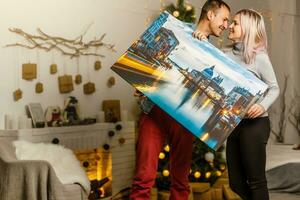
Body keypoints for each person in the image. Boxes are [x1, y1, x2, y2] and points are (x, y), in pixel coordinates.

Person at [130, 1, 230, 199]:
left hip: (183, 119)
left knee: (180, 180)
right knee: (143, 176)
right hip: (154, 111)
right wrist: (142, 83)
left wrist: (201, 46)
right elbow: (155, 58)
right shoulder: (175, 29)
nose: (226, 25)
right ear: (210, 15)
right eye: (224, 19)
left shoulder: (213, 56)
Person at [225, 9, 280, 200]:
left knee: (256, 182)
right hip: (234, 124)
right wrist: (199, 37)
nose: (230, 26)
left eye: (236, 23)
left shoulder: (260, 58)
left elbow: (274, 88)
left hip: (256, 124)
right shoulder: (224, 54)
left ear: (248, 28)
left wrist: (262, 106)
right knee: (235, 183)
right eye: (231, 22)